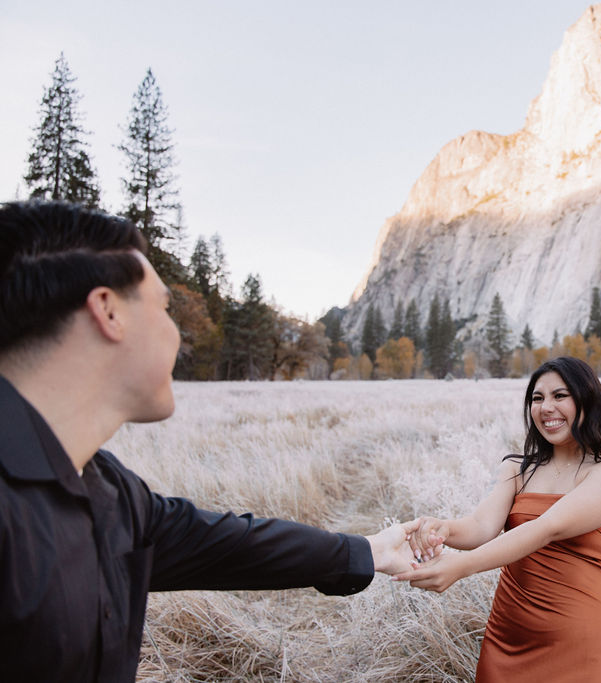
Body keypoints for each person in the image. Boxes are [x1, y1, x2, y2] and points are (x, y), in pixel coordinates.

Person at [0, 200, 417, 683]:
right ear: (108, 311)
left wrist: (369, 550)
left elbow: (225, 542)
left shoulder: (105, 486)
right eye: (163, 307)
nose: (176, 334)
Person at [395, 356, 601, 682]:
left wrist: (461, 566)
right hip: (509, 635)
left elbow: (546, 527)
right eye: (537, 398)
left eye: (560, 396)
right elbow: (481, 527)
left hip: (581, 638)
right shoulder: (517, 470)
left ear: (587, 399)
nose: (546, 407)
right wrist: (442, 528)